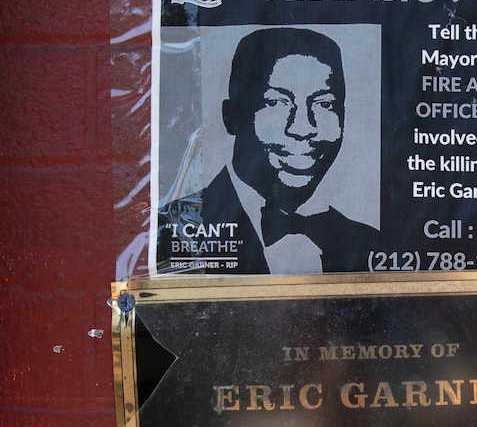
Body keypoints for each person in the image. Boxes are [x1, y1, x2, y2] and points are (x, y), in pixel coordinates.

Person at [157, 27, 378, 274]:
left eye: (324, 104)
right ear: (232, 117)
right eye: (276, 102)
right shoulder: (170, 231)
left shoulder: (370, 243)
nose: (303, 128)